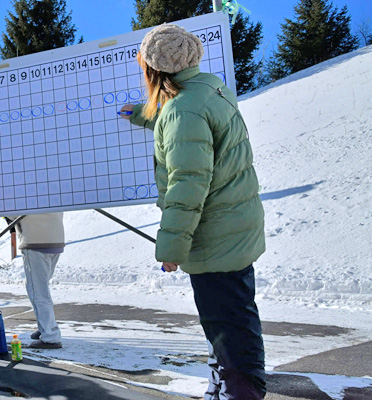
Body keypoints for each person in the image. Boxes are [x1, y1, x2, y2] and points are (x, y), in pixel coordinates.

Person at [120, 24, 267, 400]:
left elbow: (187, 184)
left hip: (214, 234)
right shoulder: (207, 89)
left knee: (226, 324)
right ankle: (228, 384)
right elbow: (180, 120)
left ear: (155, 70)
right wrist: (142, 114)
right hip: (235, 226)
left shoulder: (182, 110)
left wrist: (171, 249)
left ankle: (241, 391)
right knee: (233, 317)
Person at [7, 213, 65, 349]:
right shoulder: (52, 191)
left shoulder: (23, 192)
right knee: (40, 288)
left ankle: (50, 336)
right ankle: (45, 327)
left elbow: (11, 212)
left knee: (38, 291)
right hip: (55, 239)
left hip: (34, 241)